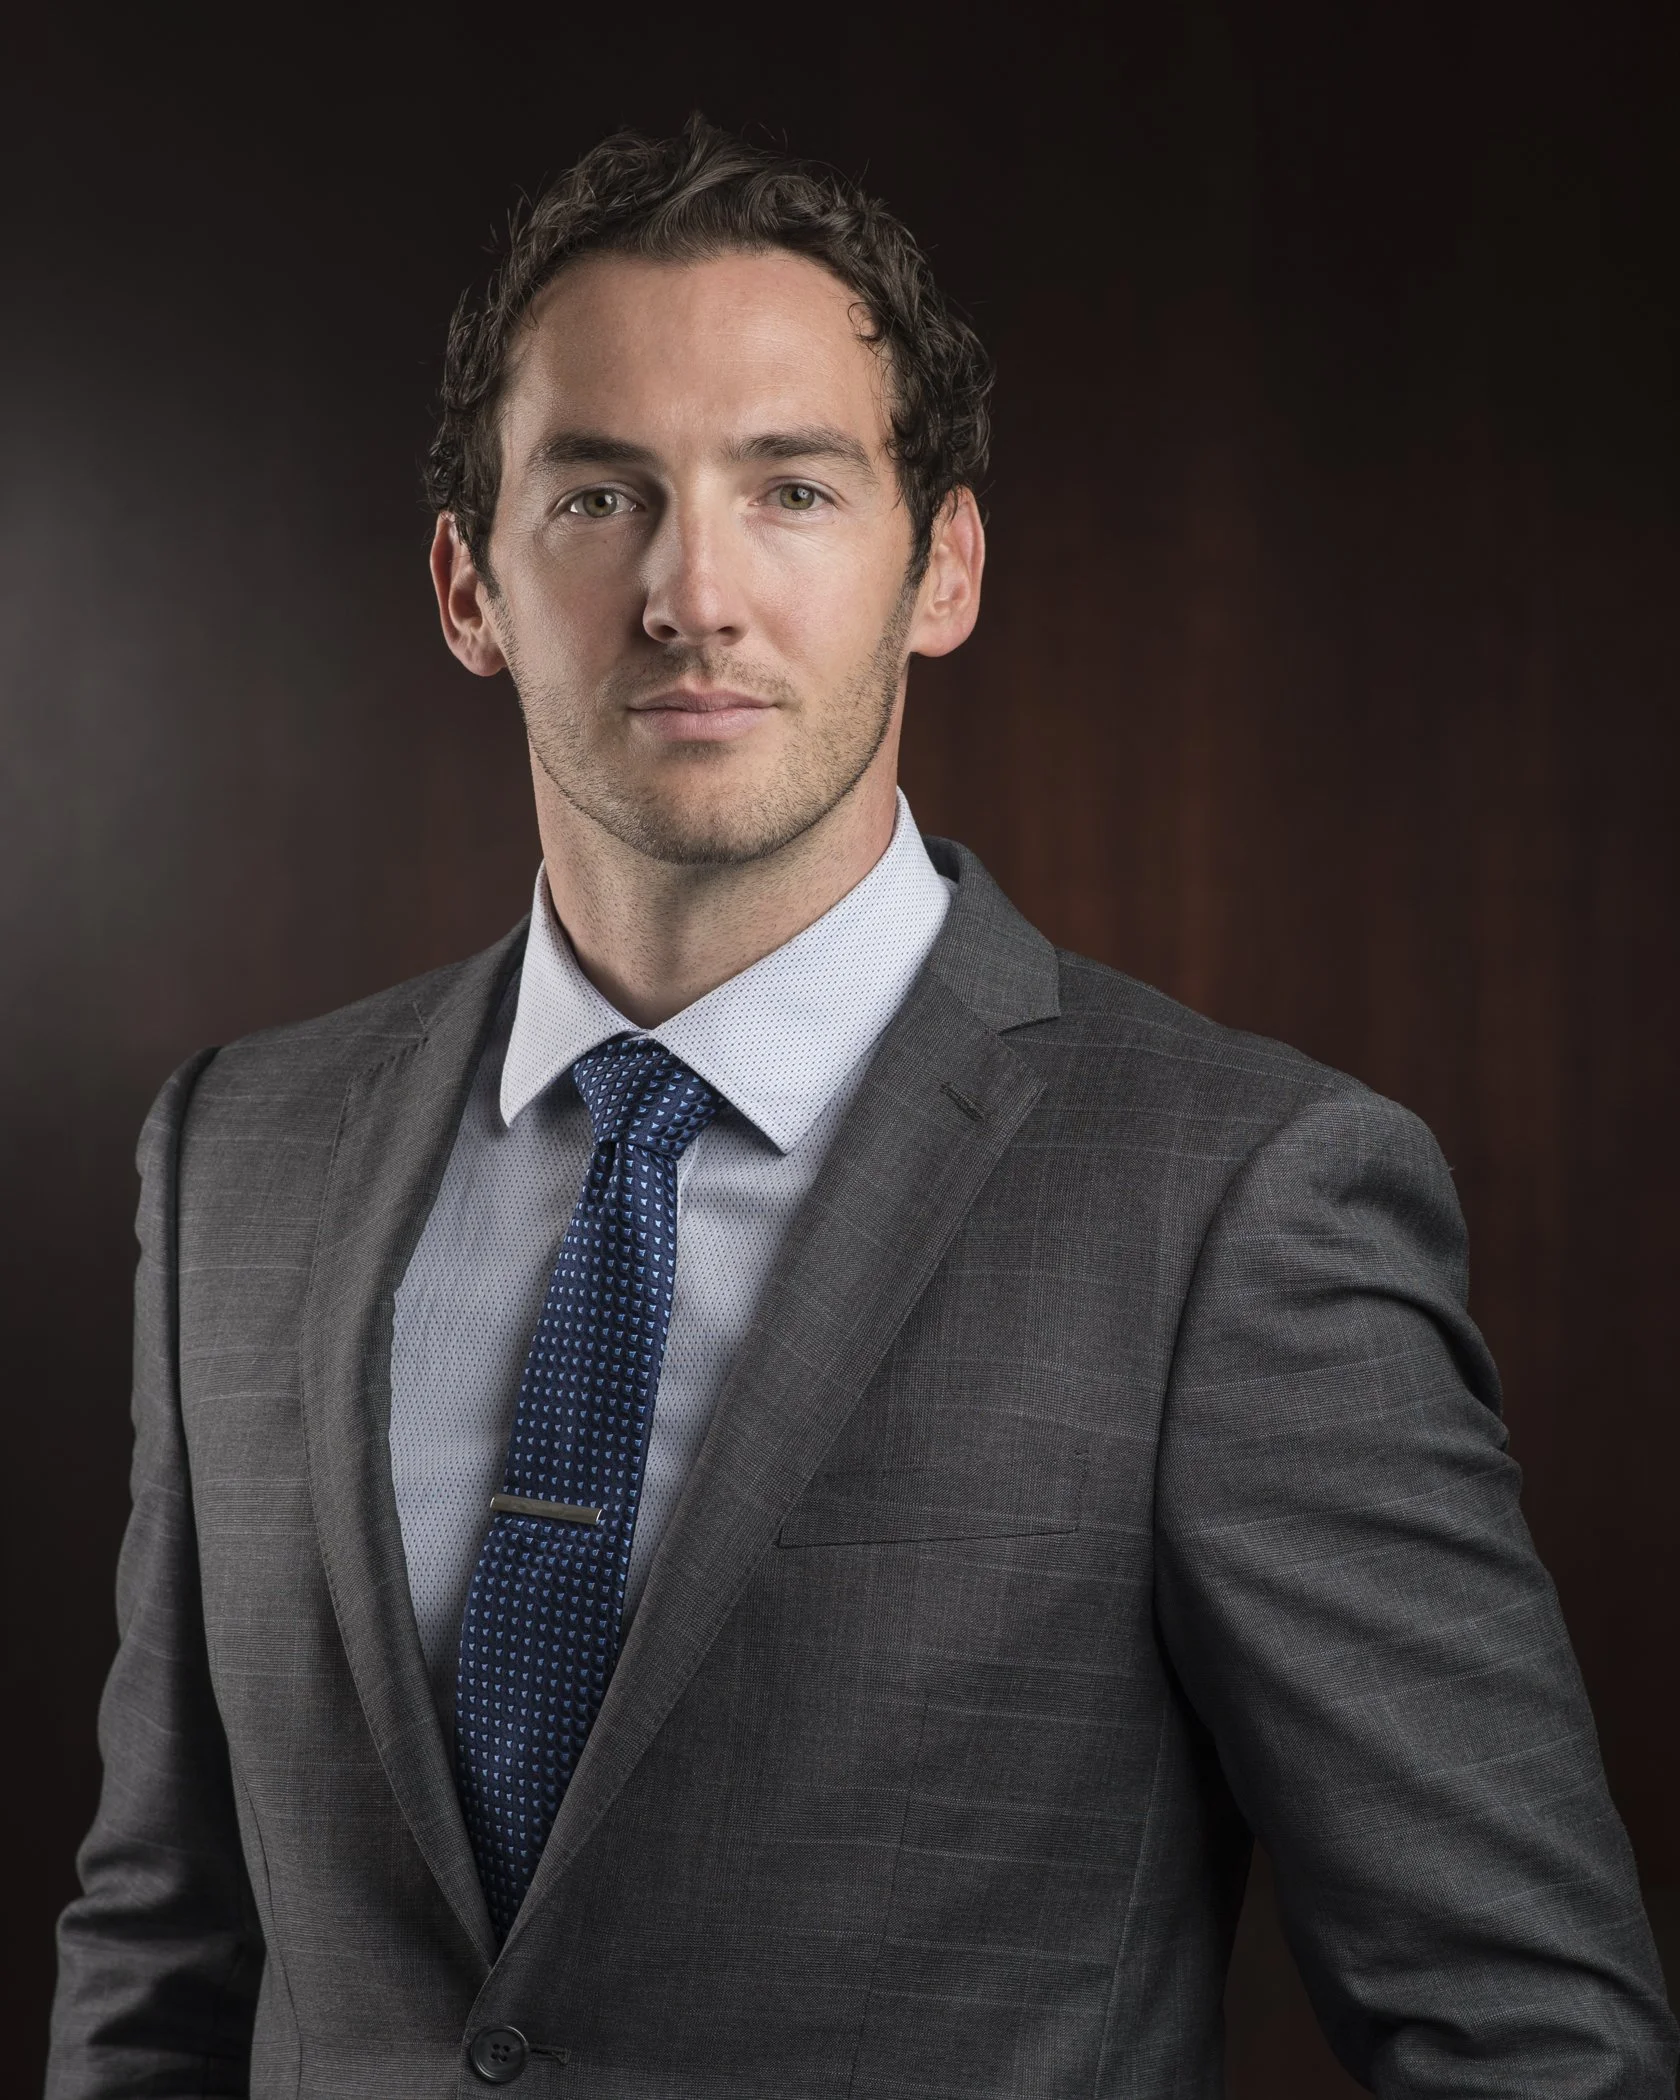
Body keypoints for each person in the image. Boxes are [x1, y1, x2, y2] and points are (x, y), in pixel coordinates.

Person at [47, 118, 1676, 2100]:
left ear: (946, 568)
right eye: (598, 496)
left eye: (791, 489)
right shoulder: (239, 1157)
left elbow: (1524, 2043)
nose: (690, 592)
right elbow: (165, 1946)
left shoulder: (1241, 1207)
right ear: (471, 585)